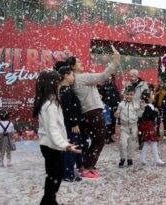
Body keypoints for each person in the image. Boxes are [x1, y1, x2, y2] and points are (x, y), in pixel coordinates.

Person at [68, 45, 120, 178]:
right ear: (73, 67)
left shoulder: (75, 80)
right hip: (93, 112)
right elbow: (103, 76)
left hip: (88, 112)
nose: (81, 63)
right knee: (100, 140)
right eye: (78, 62)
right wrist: (114, 61)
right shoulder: (82, 77)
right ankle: (87, 167)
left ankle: (86, 165)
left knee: (93, 140)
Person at [32, 70, 81, 205]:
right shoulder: (49, 106)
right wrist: (64, 145)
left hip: (53, 145)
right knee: (54, 177)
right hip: (50, 146)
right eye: (58, 83)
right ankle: (48, 202)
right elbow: (52, 130)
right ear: (51, 85)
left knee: (56, 176)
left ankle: (50, 201)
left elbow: (56, 129)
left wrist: (64, 141)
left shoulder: (52, 103)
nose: (60, 86)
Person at [56, 64, 84, 182]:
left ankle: (66, 173)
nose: (74, 77)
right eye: (72, 75)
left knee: (67, 148)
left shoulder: (62, 90)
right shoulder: (66, 91)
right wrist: (74, 123)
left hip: (65, 124)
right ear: (66, 75)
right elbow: (68, 109)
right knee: (71, 148)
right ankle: (68, 174)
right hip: (69, 125)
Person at [114, 86, 145, 168]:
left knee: (131, 145)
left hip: (133, 127)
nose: (129, 96)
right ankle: (122, 158)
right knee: (122, 144)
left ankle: (130, 158)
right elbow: (117, 113)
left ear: (134, 95)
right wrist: (116, 114)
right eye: (127, 94)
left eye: (131, 94)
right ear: (124, 94)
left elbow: (140, 115)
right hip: (124, 127)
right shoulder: (121, 104)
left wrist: (142, 107)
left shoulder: (136, 104)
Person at [139, 90, 165, 166]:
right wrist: (155, 112)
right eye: (152, 94)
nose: (153, 96)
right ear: (148, 97)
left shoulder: (149, 105)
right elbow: (149, 116)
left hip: (148, 125)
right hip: (148, 126)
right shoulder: (147, 106)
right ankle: (157, 159)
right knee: (153, 142)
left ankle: (143, 159)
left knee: (146, 142)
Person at [98, 74, 121, 143]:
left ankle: (110, 136)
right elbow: (100, 97)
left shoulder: (114, 86)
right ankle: (106, 137)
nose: (109, 79)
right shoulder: (102, 87)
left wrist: (117, 105)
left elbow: (117, 96)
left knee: (113, 122)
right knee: (107, 122)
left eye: (110, 77)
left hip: (113, 106)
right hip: (106, 107)